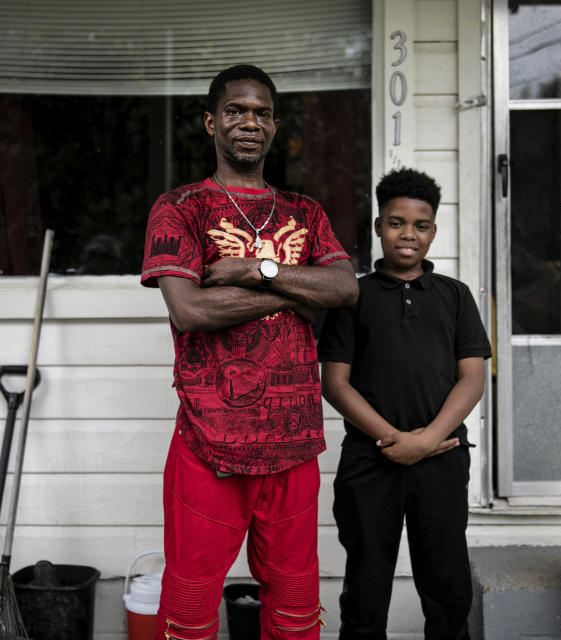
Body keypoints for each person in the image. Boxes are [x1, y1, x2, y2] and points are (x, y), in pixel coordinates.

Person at [140, 64, 358, 640]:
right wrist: (291, 292)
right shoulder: (180, 207)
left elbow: (344, 287)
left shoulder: (305, 213)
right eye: (235, 111)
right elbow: (189, 309)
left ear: (275, 126)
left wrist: (254, 271)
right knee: (189, 607)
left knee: (293, 606)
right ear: (212, 121)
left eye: (261, 113)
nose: (248, 123)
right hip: (208, 442)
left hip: (293, 443)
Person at [317, 168, 492, 639]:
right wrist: (393, 439)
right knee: (366, 588)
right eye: (396, 222)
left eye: (420, 225)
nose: (408, 234)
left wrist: (429, 439)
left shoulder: (455, 296)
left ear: (433, 231)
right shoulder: (352, 295)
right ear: (378, 226)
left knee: (447, 584)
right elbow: (335, 383)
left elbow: (472, 378)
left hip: (442, 461)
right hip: (369, 463)